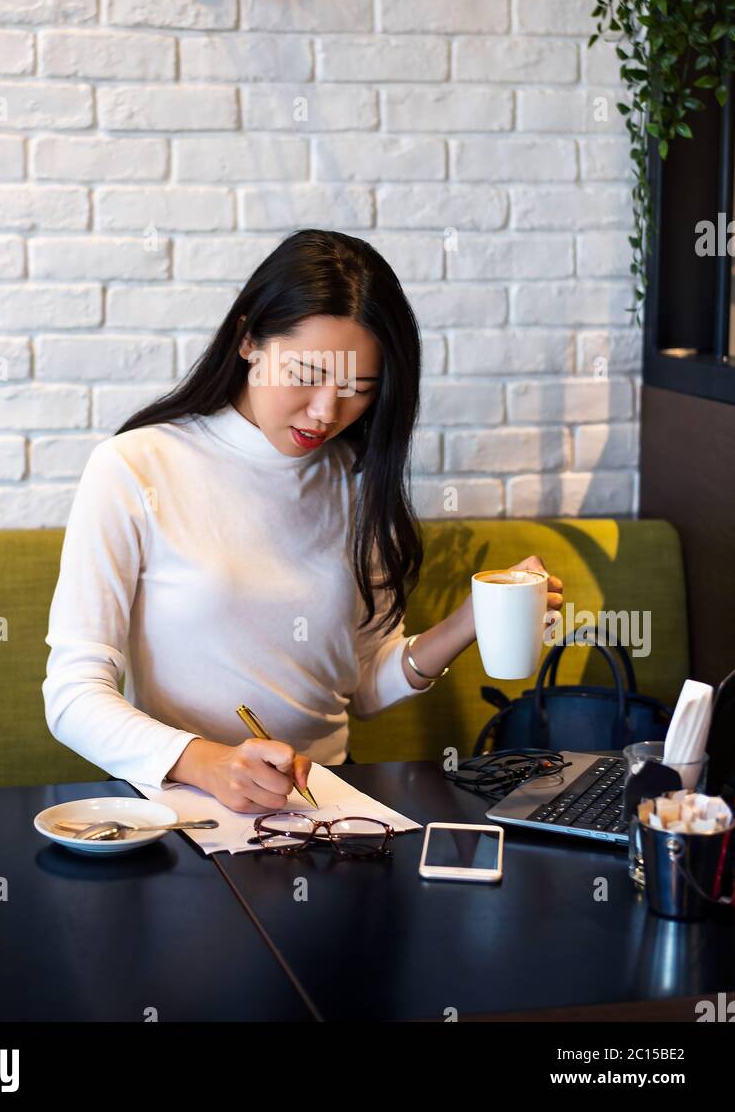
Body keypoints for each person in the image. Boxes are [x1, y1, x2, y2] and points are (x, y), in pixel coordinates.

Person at [42, 229, 563, 814]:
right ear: (248, 341)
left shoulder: (358, 481)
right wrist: (206, 762)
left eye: (357, 389)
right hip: (179, 807)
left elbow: (361, 687)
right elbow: (72, 696)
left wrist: (470, 621)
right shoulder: (135, 469)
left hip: (328, 807)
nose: (325, 412)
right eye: (306, 376)